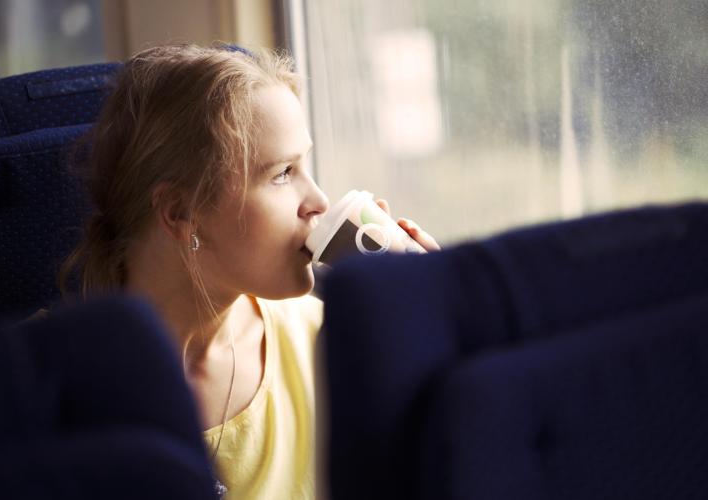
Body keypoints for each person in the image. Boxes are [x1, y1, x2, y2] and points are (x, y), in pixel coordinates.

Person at [58, 43, 439, 499]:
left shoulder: (335, 349)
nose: (318, 200)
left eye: (306, 166)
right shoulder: (40, 388)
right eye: (282, 173)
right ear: (180, 212)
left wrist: (433, 345)